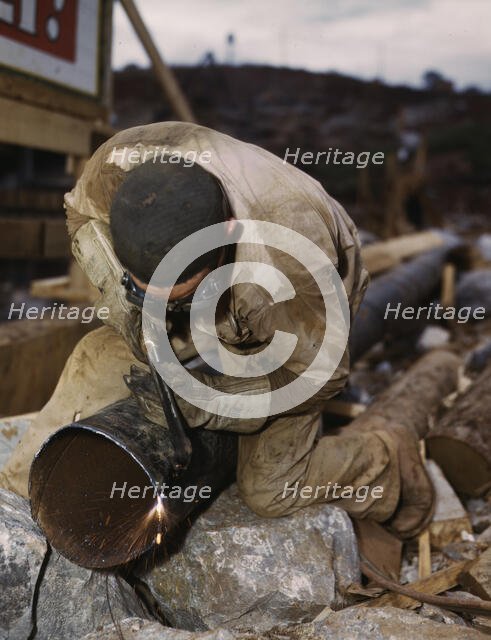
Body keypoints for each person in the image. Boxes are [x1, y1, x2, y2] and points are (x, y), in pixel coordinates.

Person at [1, 122, 434, 538]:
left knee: (271, 487)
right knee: (98, 352)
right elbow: (80, 215)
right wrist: (125, 305)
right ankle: (18, 497)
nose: (165, 308)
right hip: (221, 275)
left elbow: (319, 376)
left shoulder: (298, 258)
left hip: (297, 312)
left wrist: (209, 404)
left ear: (225, 233)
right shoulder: (114, 167)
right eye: (147, 289)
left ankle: (386, 459)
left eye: (179, 297)